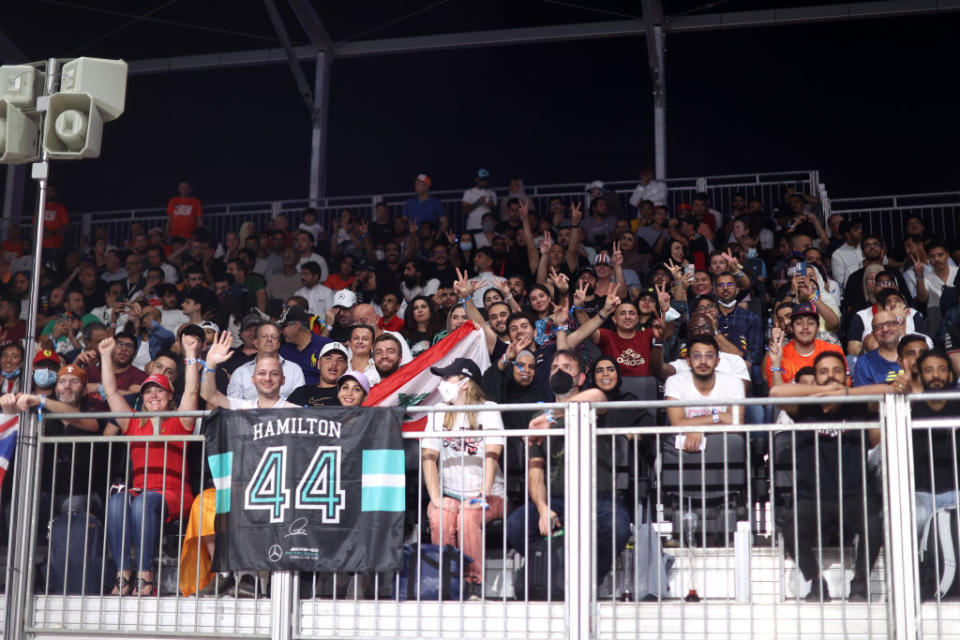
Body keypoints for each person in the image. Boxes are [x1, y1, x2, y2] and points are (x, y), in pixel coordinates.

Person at [769, 351, 892, 602]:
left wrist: (845, 393)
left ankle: (859, 582)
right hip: (812, 496)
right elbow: (775, 394)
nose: (830, 376)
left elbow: (888, 390)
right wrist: (817, 392)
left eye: (836, 371)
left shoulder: (858, 405)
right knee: (791, 528)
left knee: (874, 524)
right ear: (815, 377)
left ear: (846, 376)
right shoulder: (805, 408)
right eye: (823, 371)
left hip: (855, 494)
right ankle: (816, 582)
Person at [184, 332, 298, 596]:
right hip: (239, 484)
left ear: (282, 379)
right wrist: (210, 363)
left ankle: (253, 578)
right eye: (262, 374)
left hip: (278, 489)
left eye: (273, 374)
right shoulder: (241, 406)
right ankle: (224, 573)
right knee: (204, 504)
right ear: (252, 379)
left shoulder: (294, 410)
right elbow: (209, 394)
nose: (267, 378)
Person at [506, 350, 628, 587]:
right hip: (556, 500)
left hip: (596, 498)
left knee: (618, 527)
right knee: (516, 526)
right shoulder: (537, 416)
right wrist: (542, 508)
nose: (559, 371)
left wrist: (552, 416)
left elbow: (598, 396)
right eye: (554, 367)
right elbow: (535, 470)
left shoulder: (588, 404)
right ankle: (553, 574)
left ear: (581, 378)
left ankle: (588, 581)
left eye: (566, 367)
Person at [99, 333, 200, 596]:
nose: (153, 394)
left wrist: (190, 356)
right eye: (148, 390)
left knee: (143, 502)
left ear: (169, 395)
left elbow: (192, 390)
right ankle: (123, 573)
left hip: (174, 494)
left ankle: (146, 575)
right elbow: (110, 391)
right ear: (142, 396)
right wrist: (105, 356)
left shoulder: (181, 420)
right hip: (142, 493)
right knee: (118, 500)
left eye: (160, 390)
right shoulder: (133, 423)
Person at [421, 358, 505, 600]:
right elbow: (428, 457)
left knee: (468, 516)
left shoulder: (489, 409)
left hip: (491, 494)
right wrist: (437, 499)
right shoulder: (438, 411)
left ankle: (473, 583)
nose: (443, 383)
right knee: (439, 518)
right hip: (451, 495)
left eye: (448, 378)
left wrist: (482, 495)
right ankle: (446, 581)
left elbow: (492, 455)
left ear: (466, 383)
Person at [663, 335, 745, 453]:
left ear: (717, 361)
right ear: (688, 361)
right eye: (697, 356)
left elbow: (738, 423)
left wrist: (699, 430)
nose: (703, 361)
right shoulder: (675, 381)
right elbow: (677, 423)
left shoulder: (734, 383)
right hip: (684, 449)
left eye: (709, 356)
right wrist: (719, 416)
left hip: (721, 448)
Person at [911, 350, 960, 536]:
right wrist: (912, 399)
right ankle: (915, 565)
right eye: (929, 370)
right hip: (922, 495)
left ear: (950, 375)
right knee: (914, 516)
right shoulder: (907, 407)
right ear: (921, 376)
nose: (936, 375)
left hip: (957, 491)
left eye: (941, 369)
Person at [764, 303, 845, 386]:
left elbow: (842, 389)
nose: (805, 327)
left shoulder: (834, 351)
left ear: (817, 327)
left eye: (810, 323)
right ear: (792, 327)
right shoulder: (777, 354)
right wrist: (776, 364)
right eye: (799, 323)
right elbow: (776, 395)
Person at [227, 322, 305, 401]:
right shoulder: (240, 373)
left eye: (274, 337)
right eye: (264, 336)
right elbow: (233, 407)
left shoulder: (294, 370)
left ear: (278, 344)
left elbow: (299, 405)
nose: (269, 339)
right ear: (256, 343)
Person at [278, 306, 331, 385]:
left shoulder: (326, 346)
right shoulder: (284, 352)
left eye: (283, 327)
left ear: (296, 326)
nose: (281, 332)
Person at [286, 341, 349, 407]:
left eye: (340, 360)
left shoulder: (348, 395)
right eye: (328, 358)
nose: (334, 363)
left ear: (346, 367)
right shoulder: (301, 392)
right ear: (318, 364)